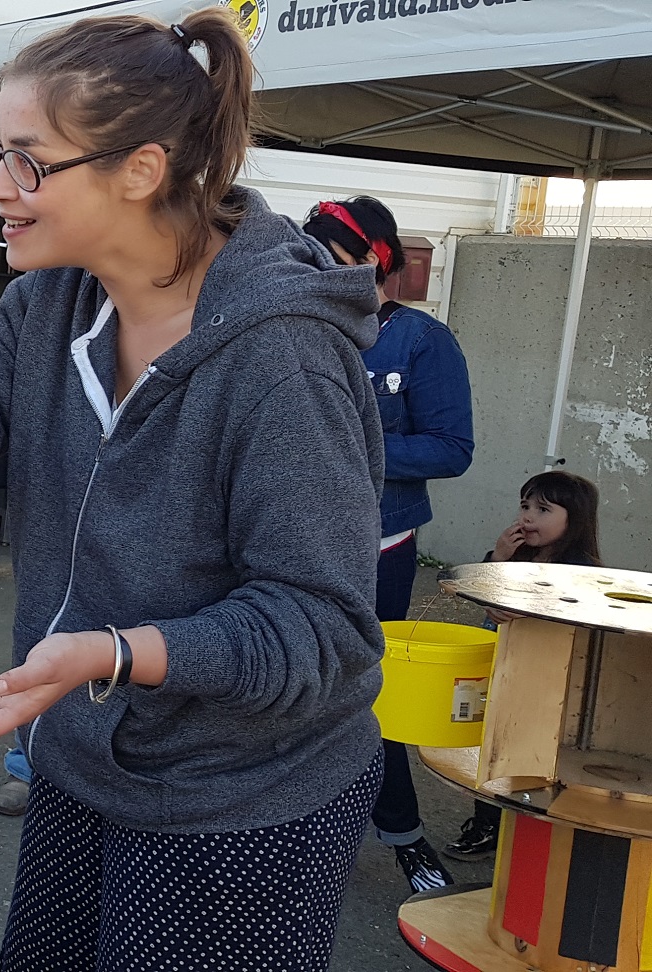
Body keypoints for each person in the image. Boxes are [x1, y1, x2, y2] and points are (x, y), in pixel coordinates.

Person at [0, 9, 387, 968]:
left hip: (240, 805)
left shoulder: (281, 355)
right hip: (84, 762)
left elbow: (322, 628)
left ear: (142, 169)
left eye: (29, 162)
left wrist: (113, 653)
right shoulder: (59, 295)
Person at [302, 195, 474, 893]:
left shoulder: (422, 342)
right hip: (288, 547)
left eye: (336, 263)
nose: (320, 275)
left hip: (379, 550)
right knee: (285, 694)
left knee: (374, 700)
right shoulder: (297, 325)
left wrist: (351, 445)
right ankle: (299, 836)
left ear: (378, 265)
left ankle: (401, 834)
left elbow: (451, 448)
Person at [446, 470, 605, 859]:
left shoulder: (581, 568)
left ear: (574, 520)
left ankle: (534, 828)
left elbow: (581, 619)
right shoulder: (515, 555)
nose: (527, 517)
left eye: (543, 509)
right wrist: (497, 559)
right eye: (525, 506)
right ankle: (487, 823)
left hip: (549, 677)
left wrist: (525, 610)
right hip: (504, 665)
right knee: (494, 746)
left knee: (533, 753)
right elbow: (480, 590)